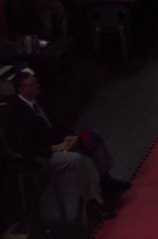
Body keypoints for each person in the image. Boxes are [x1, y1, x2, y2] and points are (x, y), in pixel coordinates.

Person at [5, 70, 130, 219]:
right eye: (32, 85)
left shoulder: (39, 100)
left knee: (92, 138)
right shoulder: (14, 112)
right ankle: (92, 201)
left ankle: (105, 179)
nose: (37, 86)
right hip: (42, 154)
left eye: (36, 82)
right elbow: (21, 145)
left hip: (59, 142)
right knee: (77, 160)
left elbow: (57, 123)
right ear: (21, 89)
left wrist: (69, 136)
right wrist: (52, 148)